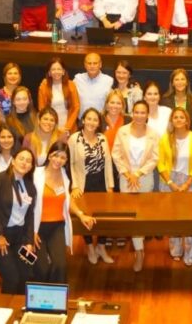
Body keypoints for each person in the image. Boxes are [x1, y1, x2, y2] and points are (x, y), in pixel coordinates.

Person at [111, 101, 159, 272]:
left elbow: (154, 158)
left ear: (147, 114)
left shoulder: (153, 134)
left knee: (143, 216)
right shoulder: (122, 131)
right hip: (126, 178)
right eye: (136, 112)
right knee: (131, 216)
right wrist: (127, 173)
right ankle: (139, 251)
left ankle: (140, 246)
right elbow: (116, 154)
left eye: (143, 112)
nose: (139, 115)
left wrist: (138, 174)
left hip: (144, 178)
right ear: (132, 113)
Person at [0, 148, 37, 294]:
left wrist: (29, 242)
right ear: (13, 161)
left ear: (31, 167)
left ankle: (18, 308)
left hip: (19, 238)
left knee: (26, 274)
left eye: (28, 161)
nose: (24, 163)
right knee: (12, 277)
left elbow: (29, 216)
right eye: (21, 158)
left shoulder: (30, 186)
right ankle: (6, 309)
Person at [68, 108, 114, 264]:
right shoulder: (75, 138)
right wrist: (74, 186)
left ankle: (101, 246)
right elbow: (71, 164)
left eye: (95, 119)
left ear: (99, 122)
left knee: (105, 216)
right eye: (89, 119)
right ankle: (89, 246)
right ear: (83, 120)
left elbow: (108, 163)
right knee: (85, 214)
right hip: (82, 183)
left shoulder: (102, 138)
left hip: (101, 182)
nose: (92, 122)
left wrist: (110, 186)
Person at [158, 108, 192, 266]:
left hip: (188, 181)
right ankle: (176, 250)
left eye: (181, 117)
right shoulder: (165, 139)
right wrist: (171, 183)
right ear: (171, 120)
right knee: (174, 218)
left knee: (191, 220)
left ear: (186, 120)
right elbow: (161, 163)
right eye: (175, 117)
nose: (178, 120)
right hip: (169, 181)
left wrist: (187, 183)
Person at [32, 141, 73, 282]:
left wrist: (80, 214)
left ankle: (58, 300)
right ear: (49, 155)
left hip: (57, 226)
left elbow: (68, 201)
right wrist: (30, 231)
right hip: (37, 228)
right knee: (41, 267)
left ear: (66, 161)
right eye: (56, 155)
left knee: (60, 266)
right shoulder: (35, 173)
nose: (58, 160)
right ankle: (39, 299)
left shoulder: (66, 177)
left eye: (63, 158)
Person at [37, 57, 80, 135]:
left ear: (63, 71)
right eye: (53, 69)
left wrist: (67, 127)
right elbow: (41, 109)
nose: (56, 71)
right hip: (50, 127)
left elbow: (76, 107)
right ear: (49, 72)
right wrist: (52, 126)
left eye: (59, 69)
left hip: (68, 128)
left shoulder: (71, 85)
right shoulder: (43, 86)